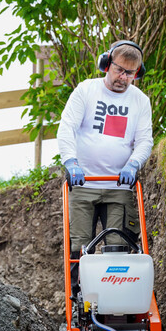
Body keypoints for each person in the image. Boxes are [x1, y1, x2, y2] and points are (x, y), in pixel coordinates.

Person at [57, 40, 153, 292]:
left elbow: (144, 140)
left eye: (130, 73)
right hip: (84, 183)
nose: (123, 77)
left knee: (118, 247)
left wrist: (133, 164)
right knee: (80, 247)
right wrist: (71, 162)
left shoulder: (140, 101)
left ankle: (118, 300)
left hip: (119, 188)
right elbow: (66, 127)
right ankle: (80, 305)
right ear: (106, 64)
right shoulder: (86, 90)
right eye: (119, 70)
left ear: (137, 74)